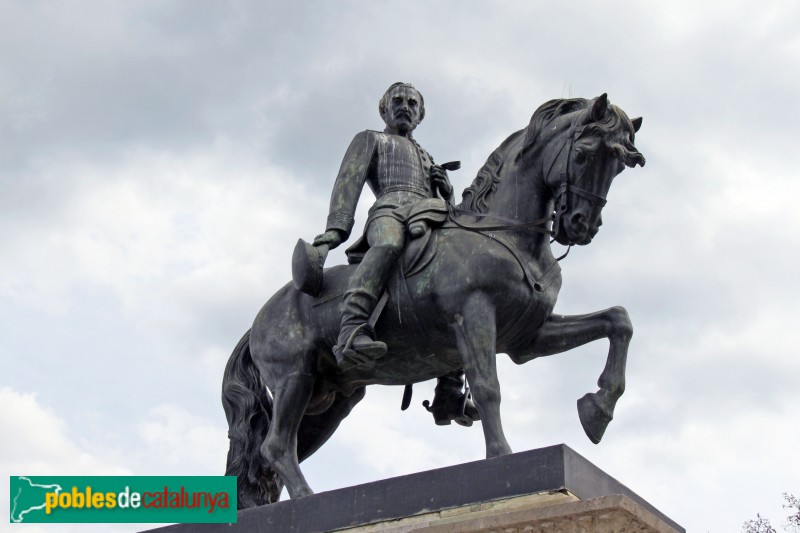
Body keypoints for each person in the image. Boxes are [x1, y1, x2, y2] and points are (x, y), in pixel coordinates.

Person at [314, 82, 478, 425]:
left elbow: (444, 203)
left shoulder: (428, 156)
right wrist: (334, 232)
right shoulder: (372, 139)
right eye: (397, 101)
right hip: (389, 211)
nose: (405, 106)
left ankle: (450, 388)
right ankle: (352, 327)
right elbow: (348, 184)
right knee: (388, 244)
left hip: (430, 215)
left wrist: (445, 191)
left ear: (420, 114)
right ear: (384, 110)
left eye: (412, 103)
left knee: (463, 276)